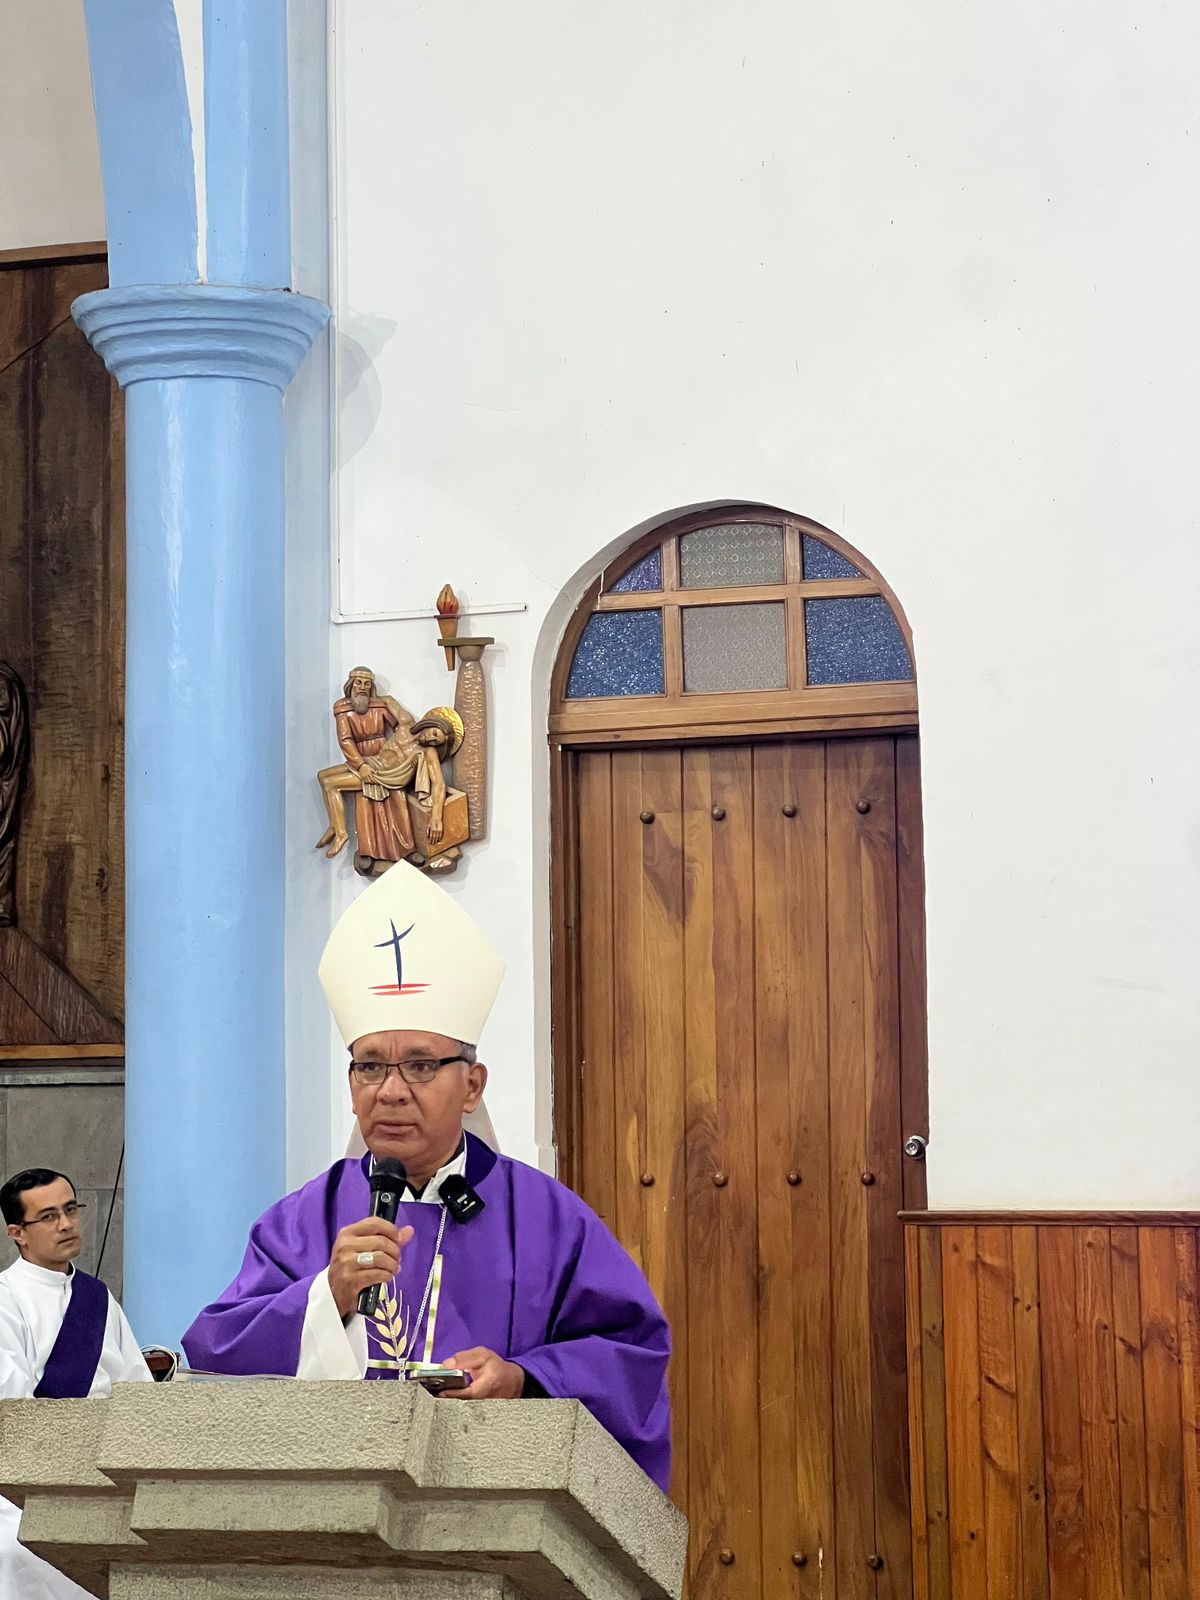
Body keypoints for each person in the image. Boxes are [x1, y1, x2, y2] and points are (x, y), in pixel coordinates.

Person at [183, 864, 672, 1491]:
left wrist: (526, 1379)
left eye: (419, 1066)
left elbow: (631, 1354)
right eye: (369, 1067)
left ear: (472, 1085)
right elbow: (215, 1352)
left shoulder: (547, 1219)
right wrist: (324, 1297)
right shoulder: (304, 1218)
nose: (389, 1092)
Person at [0, 1168, 152, 1600]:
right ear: (18, 1233)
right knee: (20, 1552)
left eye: (70, 1209)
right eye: (48, 1216)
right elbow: (14, 1406)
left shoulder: (98, 1298)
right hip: (25, 1485)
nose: (66, 1224)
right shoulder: (5, 1299)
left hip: (106, 1474)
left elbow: (136, 1394)